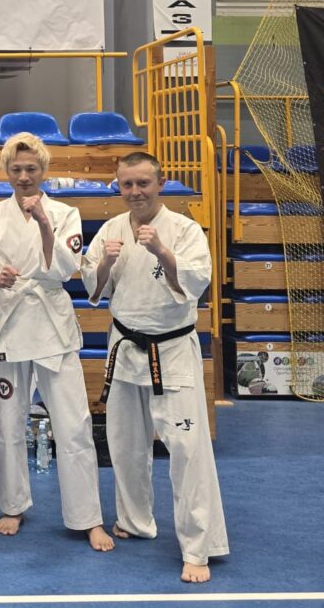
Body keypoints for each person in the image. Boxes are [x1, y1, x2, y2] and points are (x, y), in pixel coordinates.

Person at [83, 151, 229, 583]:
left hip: (172, 349)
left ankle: (198, 548)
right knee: (125, 442)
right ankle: (135, 520)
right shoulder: (111, 230)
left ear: (160, 184)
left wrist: (161, 250)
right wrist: (106, 263)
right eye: (127, 184)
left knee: (187, 450)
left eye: (143, 183)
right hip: (125, 346)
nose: (135, 192)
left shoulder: (184, 229)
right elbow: (93, 287)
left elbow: (196, 283)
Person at [0, 132, 114, 552]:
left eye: (31, 169)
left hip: (52, 328)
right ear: (6, 171)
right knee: (9, 424)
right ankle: (13, 505)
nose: (24, 176)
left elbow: (65, 270)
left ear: (44, 171)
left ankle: (87, 517)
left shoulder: (66, 213)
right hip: (10, 324)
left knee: (74, 425)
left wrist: (45, 224)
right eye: (16, 169)